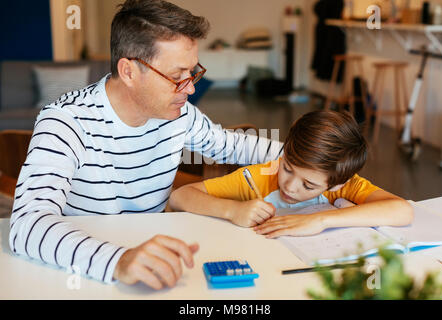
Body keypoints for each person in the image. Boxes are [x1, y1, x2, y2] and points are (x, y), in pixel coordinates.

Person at [9, 0, 283, 290]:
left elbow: (231, 145)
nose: (190, 88)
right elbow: (27, 226)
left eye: (192, 73)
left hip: (155, 259)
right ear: (128, 71)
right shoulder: (66, 122)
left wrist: (307, 156)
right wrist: (120, 261)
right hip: (84, 271)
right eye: (177, 77)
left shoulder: (178, 113)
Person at [169, 110, 414, 237]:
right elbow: (180, 197)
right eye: (287, 167)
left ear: (337, 185)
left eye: (308, 185)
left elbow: (402, 210)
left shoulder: (344, 183)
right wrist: (232, 210)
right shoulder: (263, 175)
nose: (290, 186)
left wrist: (319, 220)